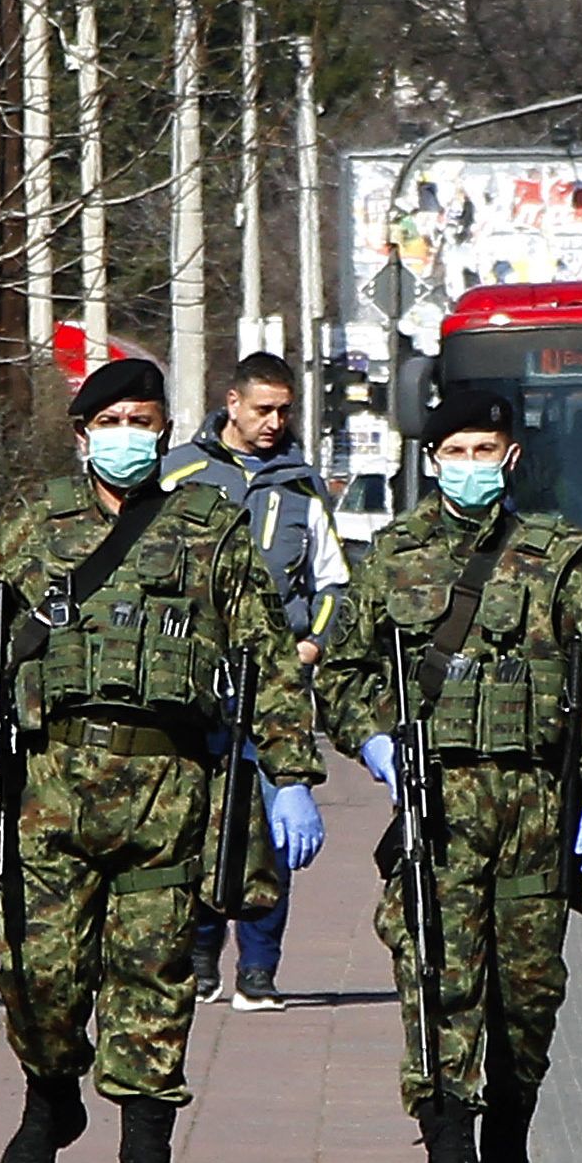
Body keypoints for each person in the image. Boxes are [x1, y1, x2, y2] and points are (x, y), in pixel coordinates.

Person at [0, 357, 327, 1163]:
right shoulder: (33, 526)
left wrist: (293, 774)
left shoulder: (210, 526)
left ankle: (145, 1155)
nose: (129, 437)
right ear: (83, 436)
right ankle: (51, 1096)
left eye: (144, 422)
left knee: (152, 972)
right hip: (51, 786)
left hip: (167, 786)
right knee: (41, 974)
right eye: (111, 422)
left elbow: (265, 654)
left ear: (164, 431)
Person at [319, 388, 582, 1163]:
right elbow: (342, 674)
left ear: (510, 457)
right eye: (454, 450)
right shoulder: (392, 558)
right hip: (442, 801)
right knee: (438, 973)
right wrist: (375, 740)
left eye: (484, 448)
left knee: (528, 990)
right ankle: (450, 1159)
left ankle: (509, 1148)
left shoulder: (561, 560)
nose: (469, 464)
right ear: (432, 459)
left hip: (536, 804)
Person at [162, 352, 351, 1013]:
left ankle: (261, 968)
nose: (274, 421)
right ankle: (200, 956)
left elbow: (334, 583)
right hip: (196, 680)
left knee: (275, 823)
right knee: (198, 819)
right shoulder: (179, 474)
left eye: (284, 410)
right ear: (232, 403)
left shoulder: (301, 488)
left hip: (276, 682)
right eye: (263, 408)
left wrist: (311, 643)